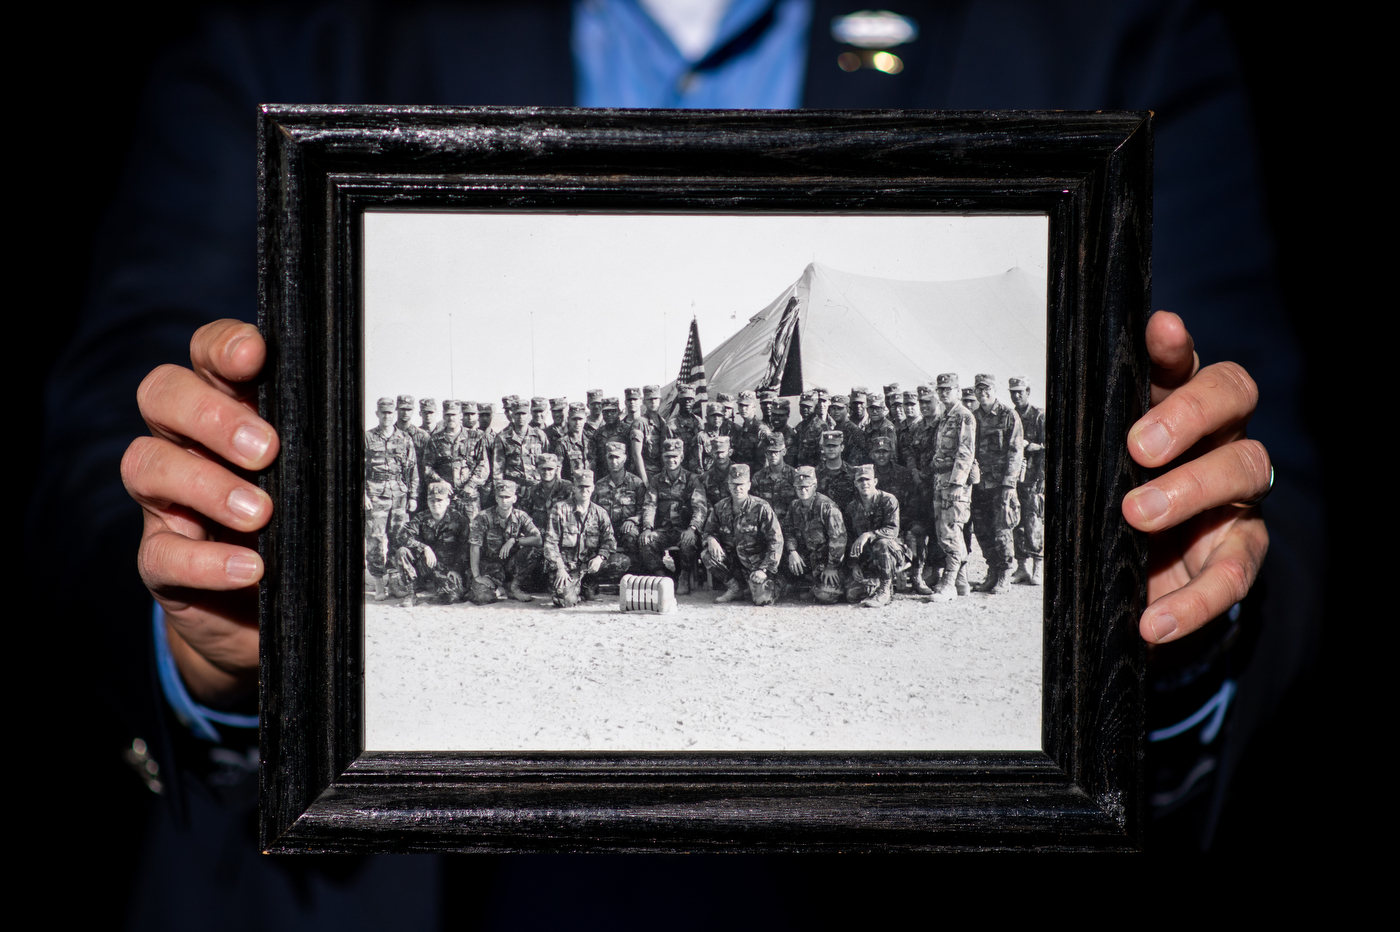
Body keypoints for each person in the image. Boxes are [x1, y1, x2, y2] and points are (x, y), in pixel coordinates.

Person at [57, 3, 1310, 916]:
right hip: (384, 890)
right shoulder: (290, 35)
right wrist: (204, 627)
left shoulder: (1111, 33)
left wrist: (1170, 624)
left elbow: (1271, 483)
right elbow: (89, 452)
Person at [970, 373, 1025, 594]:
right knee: (982, 530)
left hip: (1000, 485)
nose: (982, 394)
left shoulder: (1008, 415)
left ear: (994, 390)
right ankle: (992, 571)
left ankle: (1004, 574)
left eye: (987, 390)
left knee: (1002, 530)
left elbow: (1015, 451)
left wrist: (1009, 485)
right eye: (979, 390)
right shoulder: (972, 416)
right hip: (978, 484)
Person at [926, 373, 979, 601]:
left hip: (954, 484)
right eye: (940, 390)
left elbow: (966, 451)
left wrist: (957, 483)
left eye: (948, 389)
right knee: (943, 529)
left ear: (958, 391)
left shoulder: (964, 416)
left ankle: (948, 584)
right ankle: (961, 580)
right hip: (941, 480)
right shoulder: (945, 417)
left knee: (950, 531)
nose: (943, 393)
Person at [700, 463, 783, 606]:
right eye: (734, 484)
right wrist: (711, 539)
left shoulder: (761, 507)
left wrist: (764, 569)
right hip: (734, 563)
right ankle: (735, 588)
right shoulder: (720, 507)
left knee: (762, 600)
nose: (738, 488)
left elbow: (776, 540)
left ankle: (779, 584)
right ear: (728, 485)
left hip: (756, 564)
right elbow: (708, 530)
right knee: (707, 554)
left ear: (749, 485)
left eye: (741, 485)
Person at [364, 396, 418, 602]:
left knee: (398, 539)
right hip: (375, 494)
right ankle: (379, 583)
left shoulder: (405, 439)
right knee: (375, 541)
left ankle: (395, 581)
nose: (387, 416)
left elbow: (413, 471)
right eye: (383, 412)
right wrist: (363, 494)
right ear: (377, 414)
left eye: (390, 413)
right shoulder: (368, 438)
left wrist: (413, 496)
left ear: (394, 414)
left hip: (399, 496)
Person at [638, 438, 707, 594]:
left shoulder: (692, 479)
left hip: (684, 528)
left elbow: (700, 506)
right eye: (668, 456)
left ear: (681, 457)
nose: (671, 460)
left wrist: (692, 528)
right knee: (645, 542)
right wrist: (647, 528)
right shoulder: (656, 480)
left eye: (674, 456)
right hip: (663, 529)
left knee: (688, 542)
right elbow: (650, 504)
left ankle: (684, 575)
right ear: (663, 457)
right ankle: (663, 575)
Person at [542, 469, 618, 607]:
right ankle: (578, 589)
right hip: (567, 567)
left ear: (593, 488)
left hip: (589, 565)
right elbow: (550, 543)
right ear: (574, 488)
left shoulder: (600, 512)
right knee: (567, 601)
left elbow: (609, 540)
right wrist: (560, 568)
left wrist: (600, 558)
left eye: (587, 487)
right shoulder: (560, 509)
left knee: (622, 561)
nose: (584, 490)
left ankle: (588, 584)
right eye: (580, 486)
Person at [869, 435, 930, 595]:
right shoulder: (868, 475)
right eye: (877, 452)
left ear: (891, 453)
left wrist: (900, 524)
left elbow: (913, 503)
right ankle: (883, 579)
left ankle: (917, 576)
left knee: (918, 531)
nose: (881, 455)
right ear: (872, 454)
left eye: (885, 451)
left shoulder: (902, 474)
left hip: (901, 520)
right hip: (876, 524)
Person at [394, 480, 469, 605]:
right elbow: (402, 537)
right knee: (402, 552)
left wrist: (457, 569)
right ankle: (411, 594)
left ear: (447, 502)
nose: (435, 504)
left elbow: (465, 547)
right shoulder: (421, 517)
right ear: (427, 502)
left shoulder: (459, 519)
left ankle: (437, 587)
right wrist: (424, 547)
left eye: (439, 500)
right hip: (425, 565)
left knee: (450, 599)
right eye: (432, 500)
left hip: (447, 568)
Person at [780, 466, 847, 604]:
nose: (803, 490)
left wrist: (832, 567)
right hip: (807, 558)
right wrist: (792, 551)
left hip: (827, 560)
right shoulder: (795, 506)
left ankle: (819, 584)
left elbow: (838, 539)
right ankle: (807, 583)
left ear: (814, 486)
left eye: (806, 486)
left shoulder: (827, 507)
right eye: (799, 487)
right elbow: (788, 531)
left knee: (826, 595)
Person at [844, 464, 908, 608]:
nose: (864, 483)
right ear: (855, 483)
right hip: (868, 557)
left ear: (875, 481)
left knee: (882, 543)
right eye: (860, 480)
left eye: (868, 479)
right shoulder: (852, 507)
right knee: (852, 595)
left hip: (891, 551)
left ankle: (885, 588)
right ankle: (877, 582)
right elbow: (849, 539)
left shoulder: (888, 500)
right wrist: (854, 564)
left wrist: (869, 535)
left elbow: (893, 530)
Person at [468, 478, 541, 604]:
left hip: (510, 565)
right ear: (496, 498)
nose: (504, 501)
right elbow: (474, 547)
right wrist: (477, 576)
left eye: (507, 497)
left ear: (514, 498)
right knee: (483, 598)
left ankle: (513, 587)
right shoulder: (483, 517)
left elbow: (538, 539)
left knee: (533, 551)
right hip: (489, 566)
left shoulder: (520, 516)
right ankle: (498, 588)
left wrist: (514, 540)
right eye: (501, 497)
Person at [1008, 376, 1047, 586]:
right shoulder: (1011, 415)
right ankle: (1021, 567)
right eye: (1012, 392)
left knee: (1033, 523)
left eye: (1019, 391)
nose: (1016, 395)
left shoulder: (1039, 415)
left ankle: (1037, 567)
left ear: (1028, 391)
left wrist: (1034, 446)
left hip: (1033, 478)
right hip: (1015, 477)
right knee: (1016, 522)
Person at [591, 440, 647, 580]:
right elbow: (592, 511)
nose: (614, 461)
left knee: (632, 535)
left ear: (625, 458)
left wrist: (634, 520)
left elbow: (645, 509)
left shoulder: (636, 483)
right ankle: (594, 577)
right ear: (606, 459)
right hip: (604, 529)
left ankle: (631, 577)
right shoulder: (599, 485)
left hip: (625, 527)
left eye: (618, 457)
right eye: (611, 457)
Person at [751, 434, 799, 524]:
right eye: (769, 452)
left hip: (790, 527)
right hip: (767, 526)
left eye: (776, 452)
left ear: (784, 452)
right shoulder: (758, 477)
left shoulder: (794, 476)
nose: (773, 455)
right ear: (765, 453)